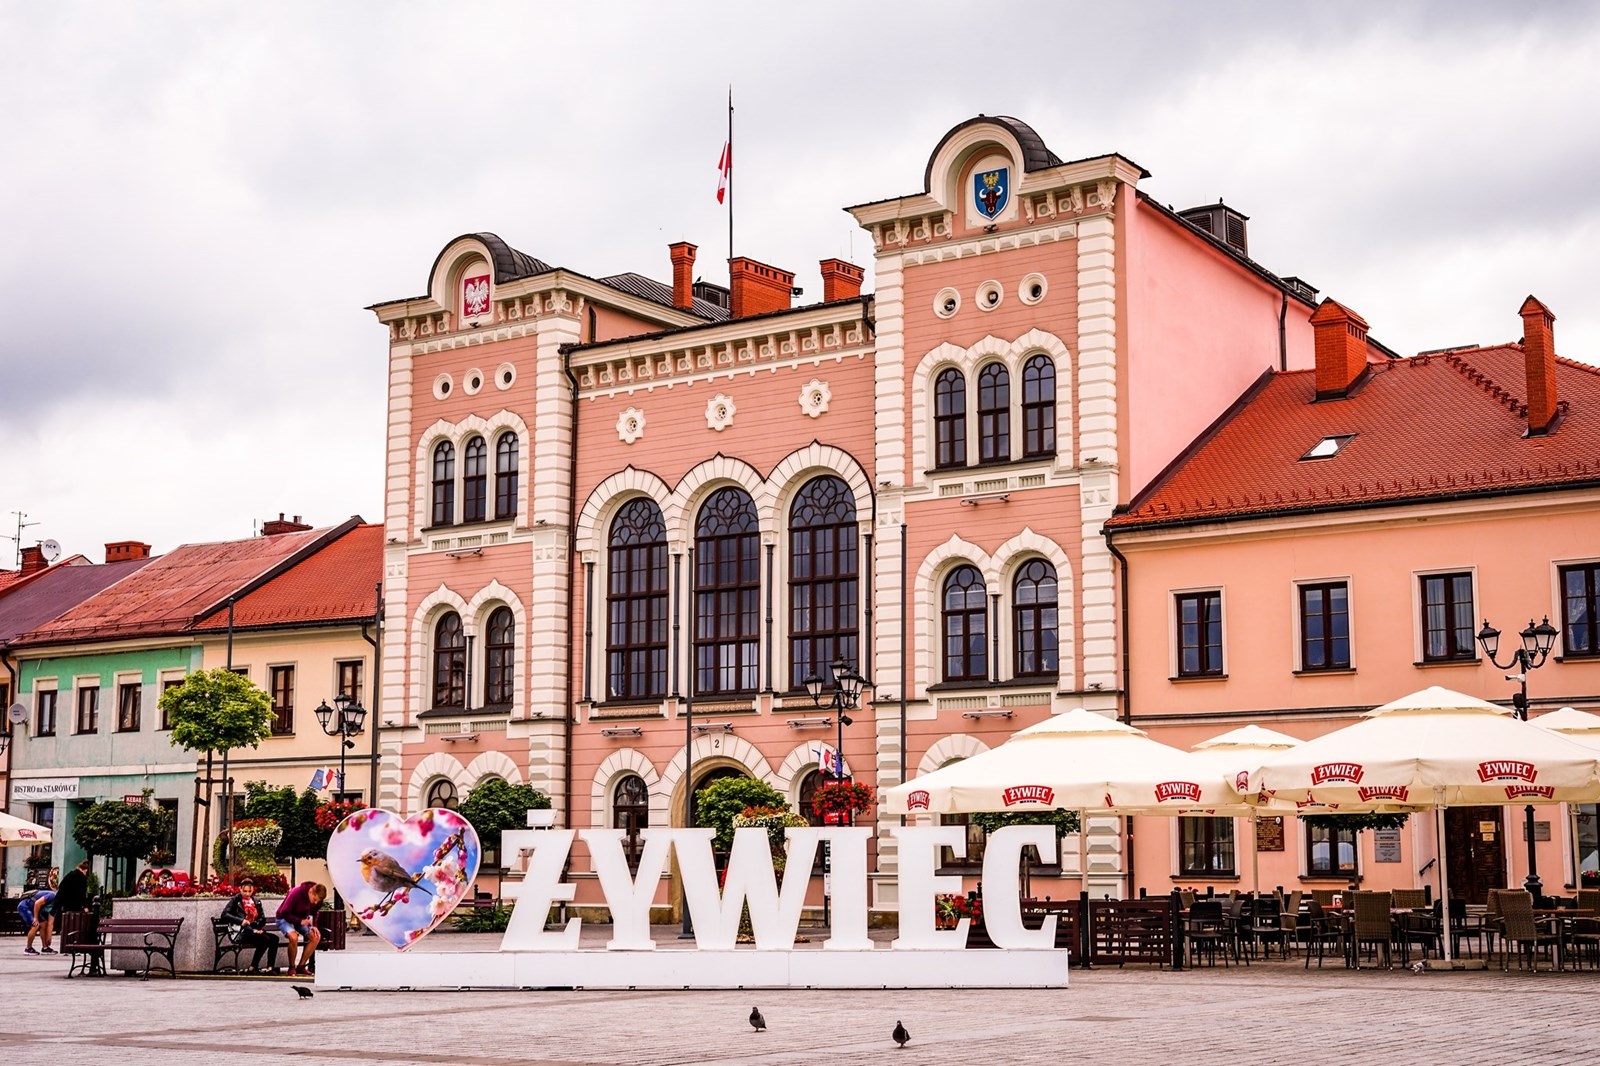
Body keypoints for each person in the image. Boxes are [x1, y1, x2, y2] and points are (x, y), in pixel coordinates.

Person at [221, 877, 280, 974]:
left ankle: (270, 967)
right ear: (240, 889)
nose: (247, 894)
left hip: (254, 931)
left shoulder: (256, 901)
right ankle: (253, 967)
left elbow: (262, 918)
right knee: (264, 939)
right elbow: (224, 915)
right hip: (241, 932)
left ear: (253, 890)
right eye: (245, 891)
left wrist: (257, 927)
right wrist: (241, 921)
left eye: (249, 891)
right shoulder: (235, 900)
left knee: (274, 939)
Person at [275, 880, 326, 977]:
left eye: (318, 901)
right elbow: (284, 913)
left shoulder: (317, 897)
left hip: (300, 919)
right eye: (314, 899)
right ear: (310, 892)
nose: (315, 902)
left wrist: (314, 926)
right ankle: (292, 967)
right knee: (294, 937)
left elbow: (316, 912)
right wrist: (299, 921)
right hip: (284, 918)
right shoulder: (296, 893)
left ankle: (301, 966)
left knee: (315, 937)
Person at [20, 889, 56, 955]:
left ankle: (45, 947)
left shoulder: (56, 905)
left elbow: (50, 922)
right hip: (25, 906)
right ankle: (28, 948)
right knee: (35, 925)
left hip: (33, 908)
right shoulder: (52, 895)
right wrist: (36, 918)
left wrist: (49, 937)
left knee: (44, 924)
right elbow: (37, 903)